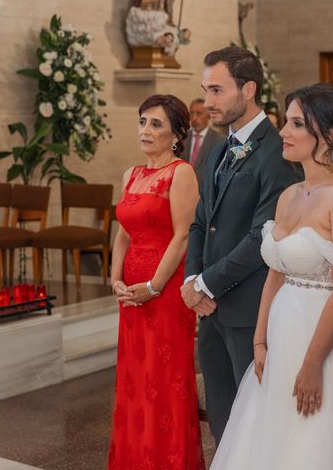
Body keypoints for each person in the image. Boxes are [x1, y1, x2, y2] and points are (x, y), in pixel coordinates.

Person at [210, 83, 333, 469]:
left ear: (328, 136)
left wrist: (312, 363)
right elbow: (276, 273)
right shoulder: (290, 194)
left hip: (328, 338)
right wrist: (260, 342)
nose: (283, 132)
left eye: (296, 124)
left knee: (318, 439)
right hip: (282, 330)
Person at [180, 46, 300, 444]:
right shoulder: (218, 149)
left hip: (251, 310)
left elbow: (261, 236)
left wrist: (206, 285)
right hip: (211, 310)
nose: (206, 101)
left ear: (248, 89)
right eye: (205, 90)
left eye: (217, 91)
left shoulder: (278, 151)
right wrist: (194, 278)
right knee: (221, 417)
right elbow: (201, 221)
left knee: (256, 422)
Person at [108, 94, 203, 469]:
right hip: (131, 295)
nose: (146, 130)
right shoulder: (130, 174)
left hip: (164, 293)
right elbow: (123, 233)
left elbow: (183, 236)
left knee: (163, 381)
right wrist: (115, 278)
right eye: (143, 121)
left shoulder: (181, 173)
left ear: (177, 134)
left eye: (156, 124)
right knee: (134, 380)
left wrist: (154, 286)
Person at [182, 98, 224, 188]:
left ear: (209, 115)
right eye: (191, 113)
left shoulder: (219, 140)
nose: (194, 118)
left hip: (206, 192)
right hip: (183, 189)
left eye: (199, 113)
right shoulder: (182, 138)